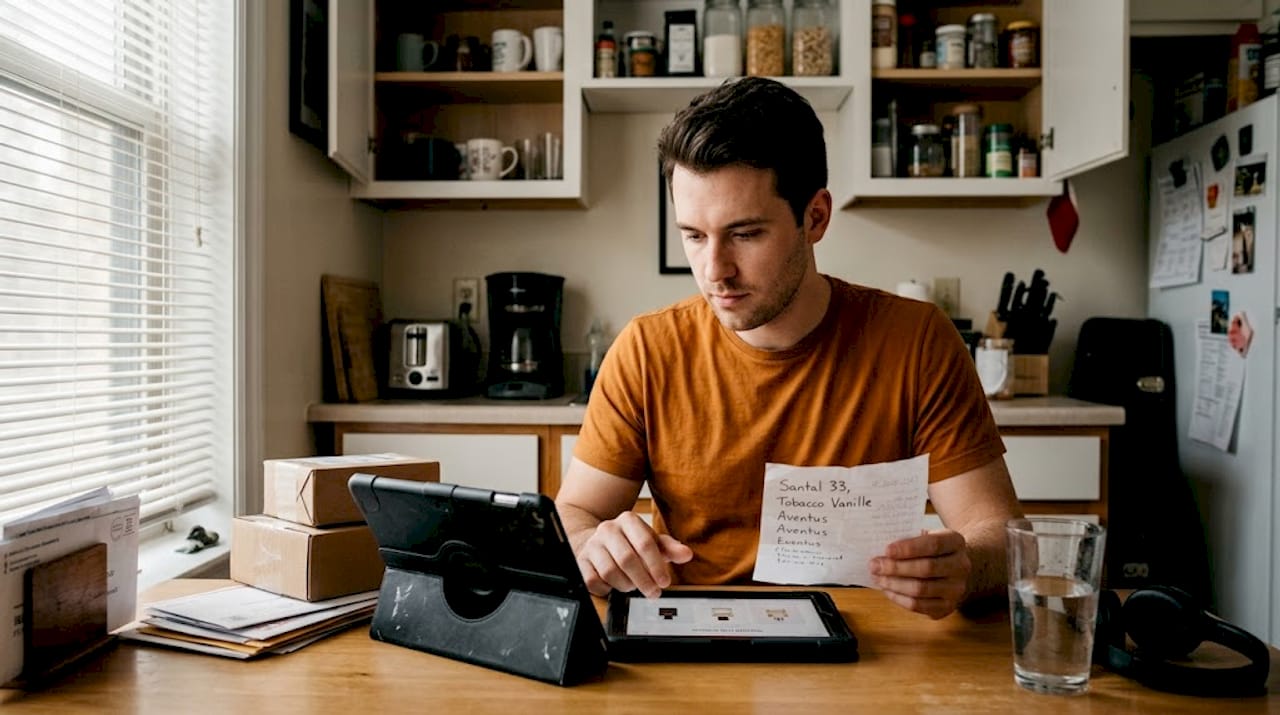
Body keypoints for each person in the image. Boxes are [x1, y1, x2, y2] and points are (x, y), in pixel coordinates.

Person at [555, 77, 1022, 620]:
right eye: (694, 235)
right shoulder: (646, 349)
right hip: (694, 636)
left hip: (868, 645)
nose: (715, 272)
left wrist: (964, 567)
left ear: (815, 218)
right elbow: (575, 513)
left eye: (746, 234)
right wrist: (593, 544)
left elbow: (1003, 539)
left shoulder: (917, 341)